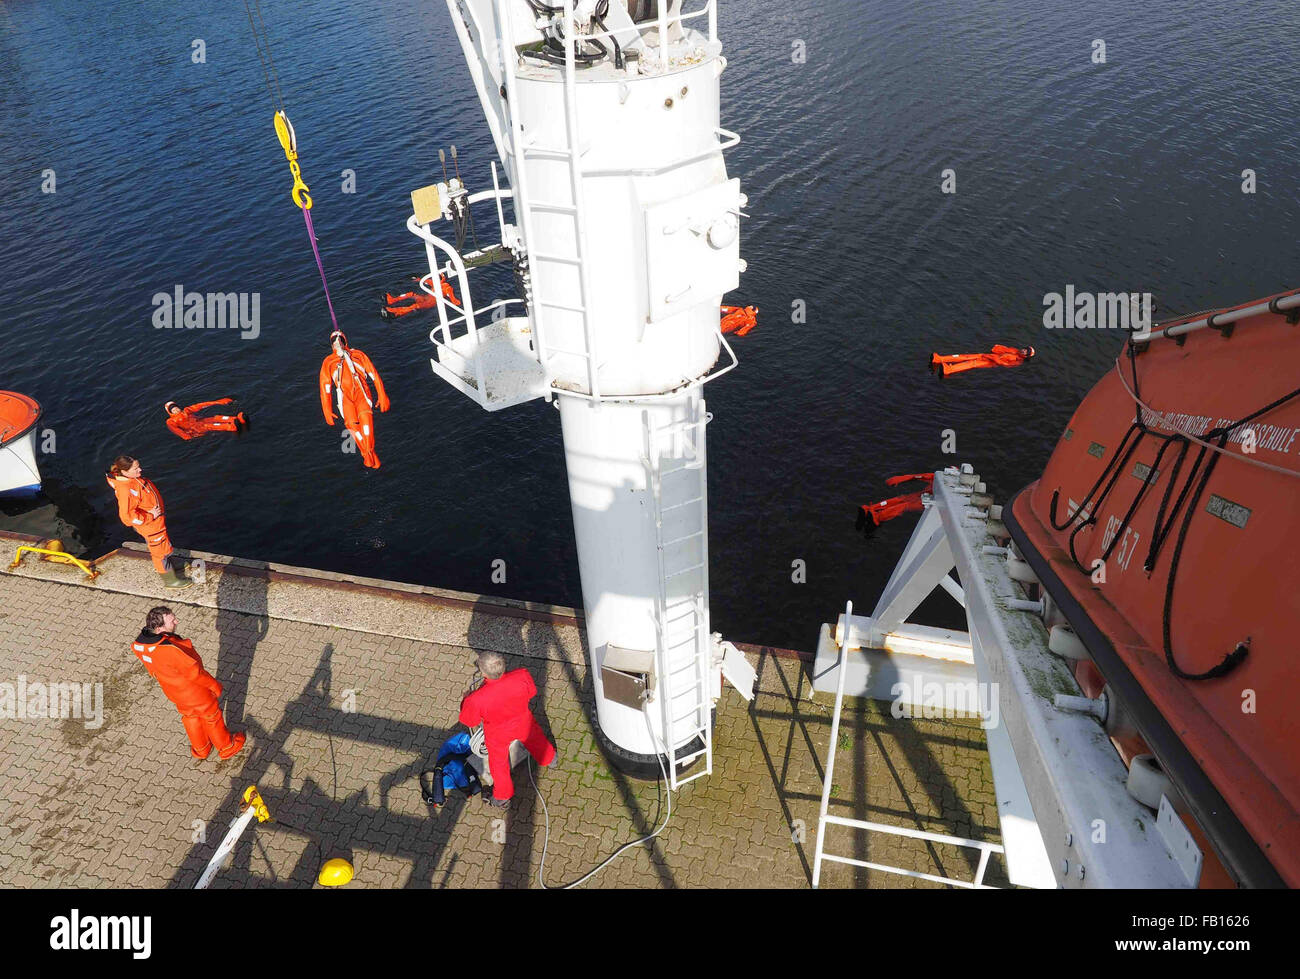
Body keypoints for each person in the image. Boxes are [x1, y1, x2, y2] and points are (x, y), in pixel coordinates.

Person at [131, 606, 246, 760]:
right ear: (159, 629)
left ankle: (202, 749)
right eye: (172, 621)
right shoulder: (169, 649)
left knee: (190, 716)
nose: (177, 622)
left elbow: (152, 669)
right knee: (211, 716)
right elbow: (195, 673)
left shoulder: (138, 646)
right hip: (194, 691)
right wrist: (214, 685)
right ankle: (227, 747)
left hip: (174, 692)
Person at [458, 652, 556, 809]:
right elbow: (531, 693)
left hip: (497, 733)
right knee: (537, 740)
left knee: (499, 764)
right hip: (523, 722)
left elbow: (469, 720)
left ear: (483, 672)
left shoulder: (476, 699)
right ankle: (550, 759)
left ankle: (502, 797)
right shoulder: (522, 675)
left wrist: (465, 700)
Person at [106, 456, 190, 588]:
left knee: (163, 545)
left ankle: (171, 564)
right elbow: (127, 517)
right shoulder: (125, 489)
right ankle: (170, 580)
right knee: (159, 552)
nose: (140, 469)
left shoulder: (132, 479)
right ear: (125, 471)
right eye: (136, 468)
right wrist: (150, 515)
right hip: (150, 525)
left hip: (156, 522)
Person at [318, 330, 390, 469]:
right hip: (345, 397)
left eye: (339, 341)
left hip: (361, 393)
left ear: (345, 342)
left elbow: (373, 374)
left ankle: (369, 452)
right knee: (351, 424)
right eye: (334, 342)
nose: (337, 343)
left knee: (366, 422)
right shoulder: (328, 362)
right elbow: (325, 387)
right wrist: (327, 409)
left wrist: (382, 394)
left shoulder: (358, 355)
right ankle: (367, 452)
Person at [164, 398, 247, 440]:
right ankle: (232, 427)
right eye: (173, 410)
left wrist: (222, 401)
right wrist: (187, 437)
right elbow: (177, 430)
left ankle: (237, 419)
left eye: (176, 408)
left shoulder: (187, 410)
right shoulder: (170, 421)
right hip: (196, 429)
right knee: (210, 425)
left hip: (200, 421)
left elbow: (201, 405)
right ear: (170, 412)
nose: (176, 410)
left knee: (215, 418)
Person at [929, 344, 1035, 377]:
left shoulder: (1017, 361)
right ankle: (940, 359)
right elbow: (1003, 350)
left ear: (1026, 356)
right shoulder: (1015, 351)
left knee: (971, 363)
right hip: (988, 356)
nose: (1024, 350)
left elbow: (1002, 363)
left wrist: (992, 357)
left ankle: (949, 369)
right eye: (1025, 349)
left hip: (990, 362)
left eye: (1026, 352)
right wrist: (996, 349)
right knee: (966, 356)